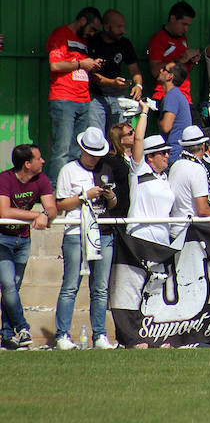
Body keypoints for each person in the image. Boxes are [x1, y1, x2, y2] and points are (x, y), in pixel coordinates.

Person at [54, 127, 118, 350]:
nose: (94, 158)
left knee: (100, 288)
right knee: (71, 286)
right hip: (76, 232)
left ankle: (100, 335)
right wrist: (84, 196)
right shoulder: (68, 170)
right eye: (91, 154)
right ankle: (62, 334)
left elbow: (113, 205)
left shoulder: (106, 168)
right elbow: (60, 204)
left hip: (103, 232)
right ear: (82, 150)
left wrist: (109, 196)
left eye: (97, 154)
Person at [0, 144, 56, 350]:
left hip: (23, 240)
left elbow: (51, 207)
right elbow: (4, 211)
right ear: (27, 164)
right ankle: (23, 328)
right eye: (38, 158)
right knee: (8, 285)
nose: (42, 161)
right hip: (3, 239)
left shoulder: (41, 179)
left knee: (13, 287)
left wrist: (47, 214)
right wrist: (37, 215)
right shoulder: (4, 179)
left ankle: (6, 335)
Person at [46, 6, 103, 187]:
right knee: (62, 149)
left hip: (83, 99)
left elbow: (80, 65)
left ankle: (70, 189)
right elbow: (55, 65)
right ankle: (55, 191)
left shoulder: (84, 41)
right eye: (91, 28)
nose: (92, 33)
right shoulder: (60, 35)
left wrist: (91, 65)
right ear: (83, 21)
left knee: (76, 150)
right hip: (64, 97)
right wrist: (81, 64)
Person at [126, 101, 175, 245]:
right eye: (163, 152)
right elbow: (138, 139)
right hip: (140, 235)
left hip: (163, 238)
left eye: (168, 152)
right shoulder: (139, 170)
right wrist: (144, 113)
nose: (167, 156)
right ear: (150, 157)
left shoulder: (165, 177)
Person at [87, 9, 143, 131]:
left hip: (118, 97)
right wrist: (112, 82)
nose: (123, 31)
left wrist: (138, 85)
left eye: (123, 26)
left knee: (119, 135)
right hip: (95, 97)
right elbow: (92, 74)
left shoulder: (125, 43)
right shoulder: (93, 42)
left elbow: (134, 70)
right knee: (95, 135)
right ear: (107, 27)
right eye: (119, 27)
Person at [168, 126, 210, 238]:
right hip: (192, 233)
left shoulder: (175, 166)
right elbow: (202, 209)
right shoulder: (197, 169)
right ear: (203, 145)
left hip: (176, 230)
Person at [147, 1, 200, 104]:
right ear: (172, 19)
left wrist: (192, 61)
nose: (186, 29)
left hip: (185, 96)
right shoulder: (159, 39)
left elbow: (183, 71)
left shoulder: (183, 39)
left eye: (188, 25)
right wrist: (180, 60)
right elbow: (154, 71)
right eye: (183, 24)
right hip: (165, 95)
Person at [158, 62, 192, 162]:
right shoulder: (176, 95)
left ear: (170, 76)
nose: (160, 70)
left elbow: (166, 127)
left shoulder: (172, 96)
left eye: (164, 69)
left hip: (174, 153)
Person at [101, 122, 135, 218]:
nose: (135, 134)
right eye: (130, 133)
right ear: (120, 139)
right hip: (118, 212)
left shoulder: (136, 159)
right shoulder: (112, 161)